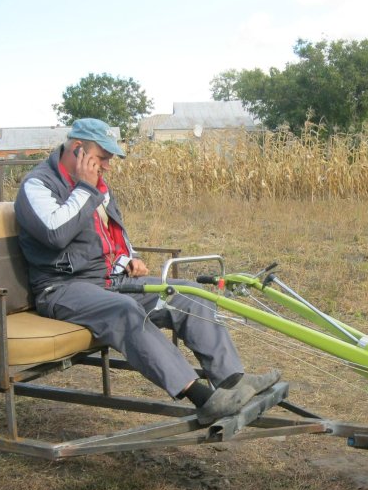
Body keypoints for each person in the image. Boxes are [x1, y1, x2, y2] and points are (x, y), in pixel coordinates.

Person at [14, 118, 279, 424]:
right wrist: (86, 188)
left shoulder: (97, 187)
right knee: (124, 310)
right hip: (62, 288)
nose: (107, 167)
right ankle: (204, 400)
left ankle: (232, 383)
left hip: (106, 280)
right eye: (102, 158)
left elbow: (113, 234)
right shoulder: (38, 185)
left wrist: (129, 257)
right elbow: (55, 233)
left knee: (188, 294)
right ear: (77, 150)